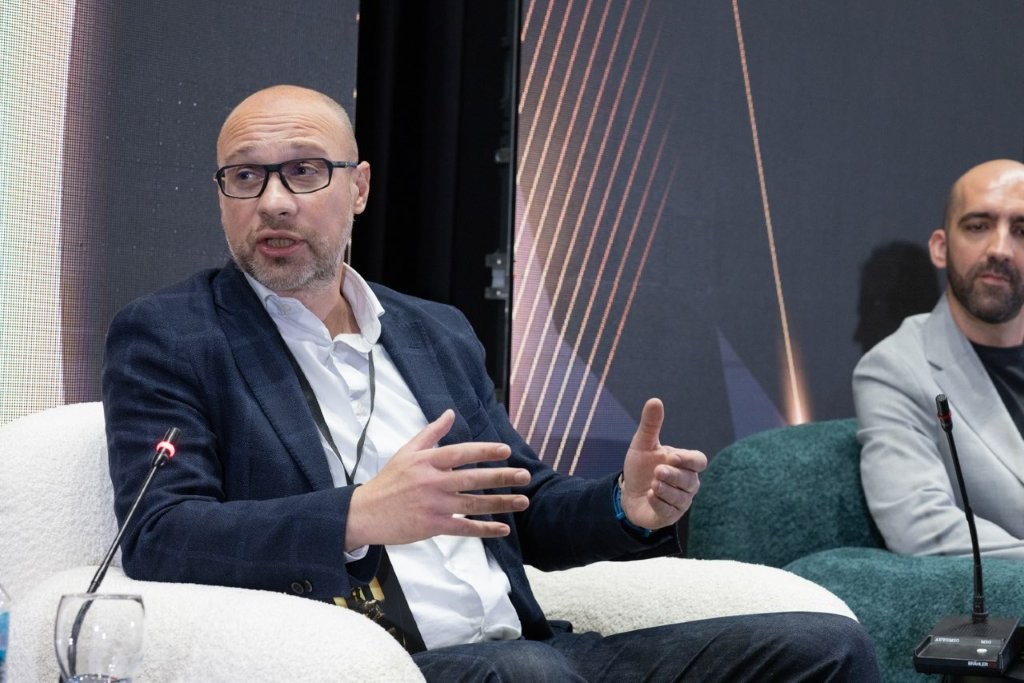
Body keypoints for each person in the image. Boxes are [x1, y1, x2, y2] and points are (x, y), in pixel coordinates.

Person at [103, 84, 879, 680]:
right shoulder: (173, 335)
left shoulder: (431, 331)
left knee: (823, 647)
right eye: (245, 176)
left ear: (359, 187)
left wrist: (623, 503)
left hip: (530, 651)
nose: (273, 201)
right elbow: (160, 534)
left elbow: (521, 505)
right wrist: (358, 515)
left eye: (304, 171)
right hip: (380, 664)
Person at [854, 158, 1024, 558]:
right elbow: (925, 531)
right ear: (941, 247)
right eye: (978, 226)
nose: (1000, 249)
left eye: (1022, 231)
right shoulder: (894, 370)